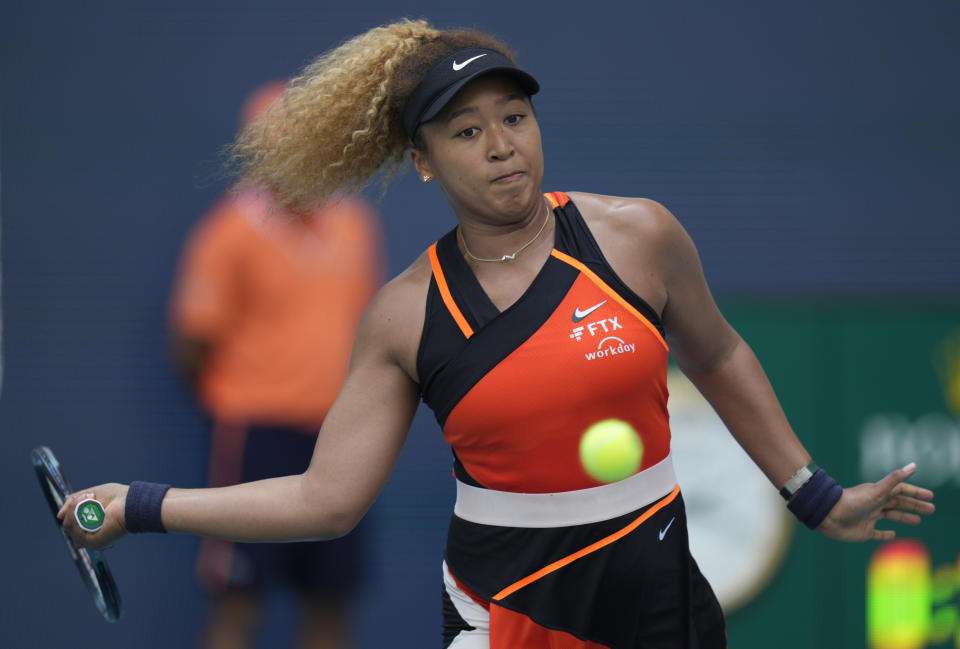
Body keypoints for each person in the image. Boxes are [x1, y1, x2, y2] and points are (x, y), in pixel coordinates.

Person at [61, 19, 935, 649]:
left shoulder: (637, 235)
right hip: (507, 608)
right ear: (423, 159)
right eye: (467, 131)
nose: (502, 146)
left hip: (663, 592)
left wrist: (813, 494)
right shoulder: (406, 313)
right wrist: (138, 505)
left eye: (514, 118)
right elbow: (325, 499)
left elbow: (719, 352)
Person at [169, 81, 384, 649]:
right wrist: (247, 395)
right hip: (255, 435)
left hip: (341, 436)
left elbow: (366, 328)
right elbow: (192, 343)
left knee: (331, 600)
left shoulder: (354, 224)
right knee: (239, 599)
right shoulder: (228, 233)